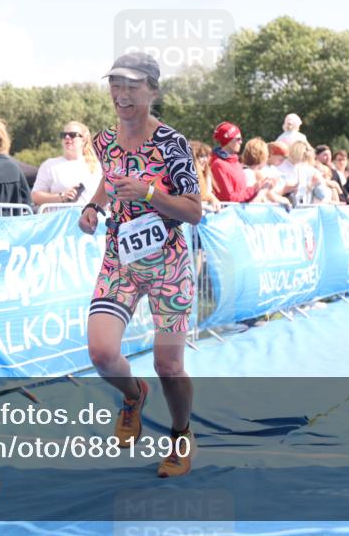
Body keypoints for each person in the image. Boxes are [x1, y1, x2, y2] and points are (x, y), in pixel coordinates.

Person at [78, 52, 203, 478]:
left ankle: (181, 433)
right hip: (121, 261)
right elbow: (109, 179)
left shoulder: (173, 144)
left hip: (168, 264)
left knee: (169, 365)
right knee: (102, 352)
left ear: (152, 90)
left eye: (133, 86)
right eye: (116, 84)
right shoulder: (103, 141)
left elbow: (193, 211)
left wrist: (149, 193)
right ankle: (133, 396)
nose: (122, 94)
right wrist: (94, 206)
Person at [32, 121, 102, 208]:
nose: (67, 137)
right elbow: (35, 196)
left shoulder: (97, 166)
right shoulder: (49, 165)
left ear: (83, 139)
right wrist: (61, 197)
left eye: (72, 135)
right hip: (59, 220)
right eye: (64, 135)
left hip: (89, 220)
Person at [210, 121, 270, 203]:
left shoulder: (235, 162)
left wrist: (260, 188)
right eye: (238, 139)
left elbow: (242, 195)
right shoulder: (218, 164)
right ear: (228, 140)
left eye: (241, 139)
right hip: (228, 214)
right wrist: (254, 189)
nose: (241, 142)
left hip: (237, 213)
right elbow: (229, 199)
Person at [189, 141, 221, 212]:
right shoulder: (185, 179)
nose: (205, 160)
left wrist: (213, 199)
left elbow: (207, 194)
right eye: (201, 156)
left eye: (206, 156)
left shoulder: (206, 174)